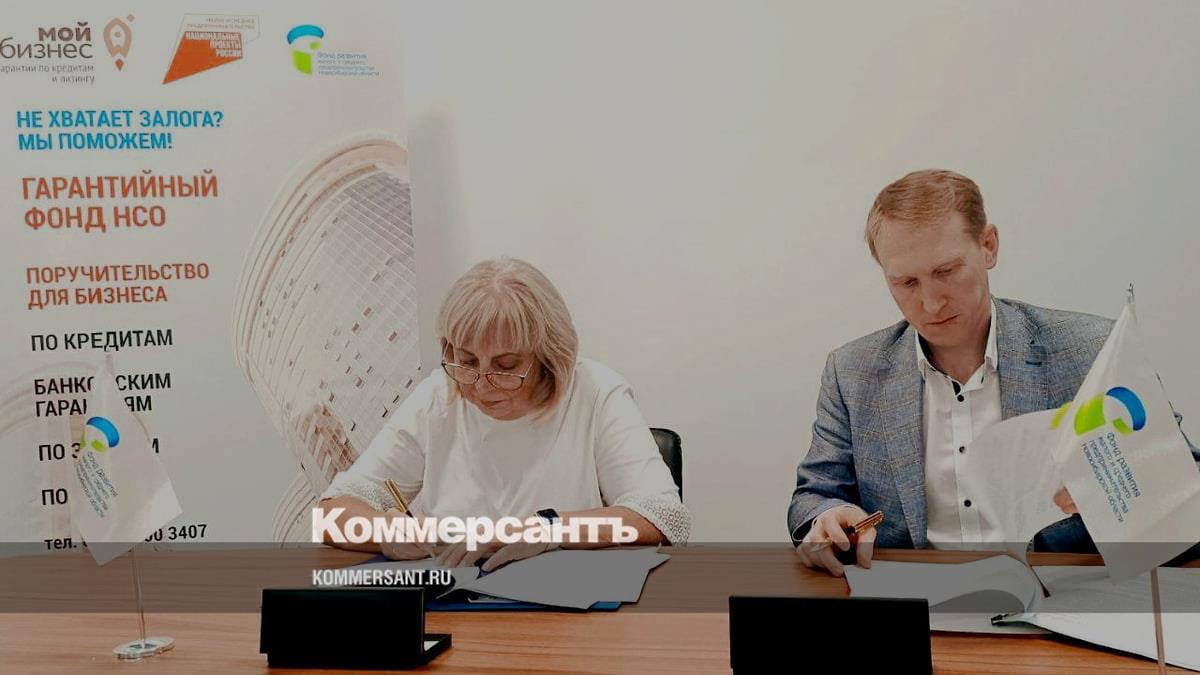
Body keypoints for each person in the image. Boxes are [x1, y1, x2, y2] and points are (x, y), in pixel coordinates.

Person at [787, 169, 1200, 576]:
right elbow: (815, 495)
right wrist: (828, 518)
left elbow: (1187, 492)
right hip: (918, 601)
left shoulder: (1094, 351)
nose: (931, 303)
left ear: (988, 246)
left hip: (1062, 601)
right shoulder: (852, 372)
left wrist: (1116, 495)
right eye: (907, 283)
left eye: (946, 271)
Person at [319, 257, 689, 571]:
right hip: (453, 606)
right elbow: (332, 515)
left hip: (568, 613)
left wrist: (547, 530)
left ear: (547, 355)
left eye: (506, 366)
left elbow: (664, 517)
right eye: (467, 361)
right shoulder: (439, 395)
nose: (482, 385)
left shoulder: (596, 393)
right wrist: (385, 533)